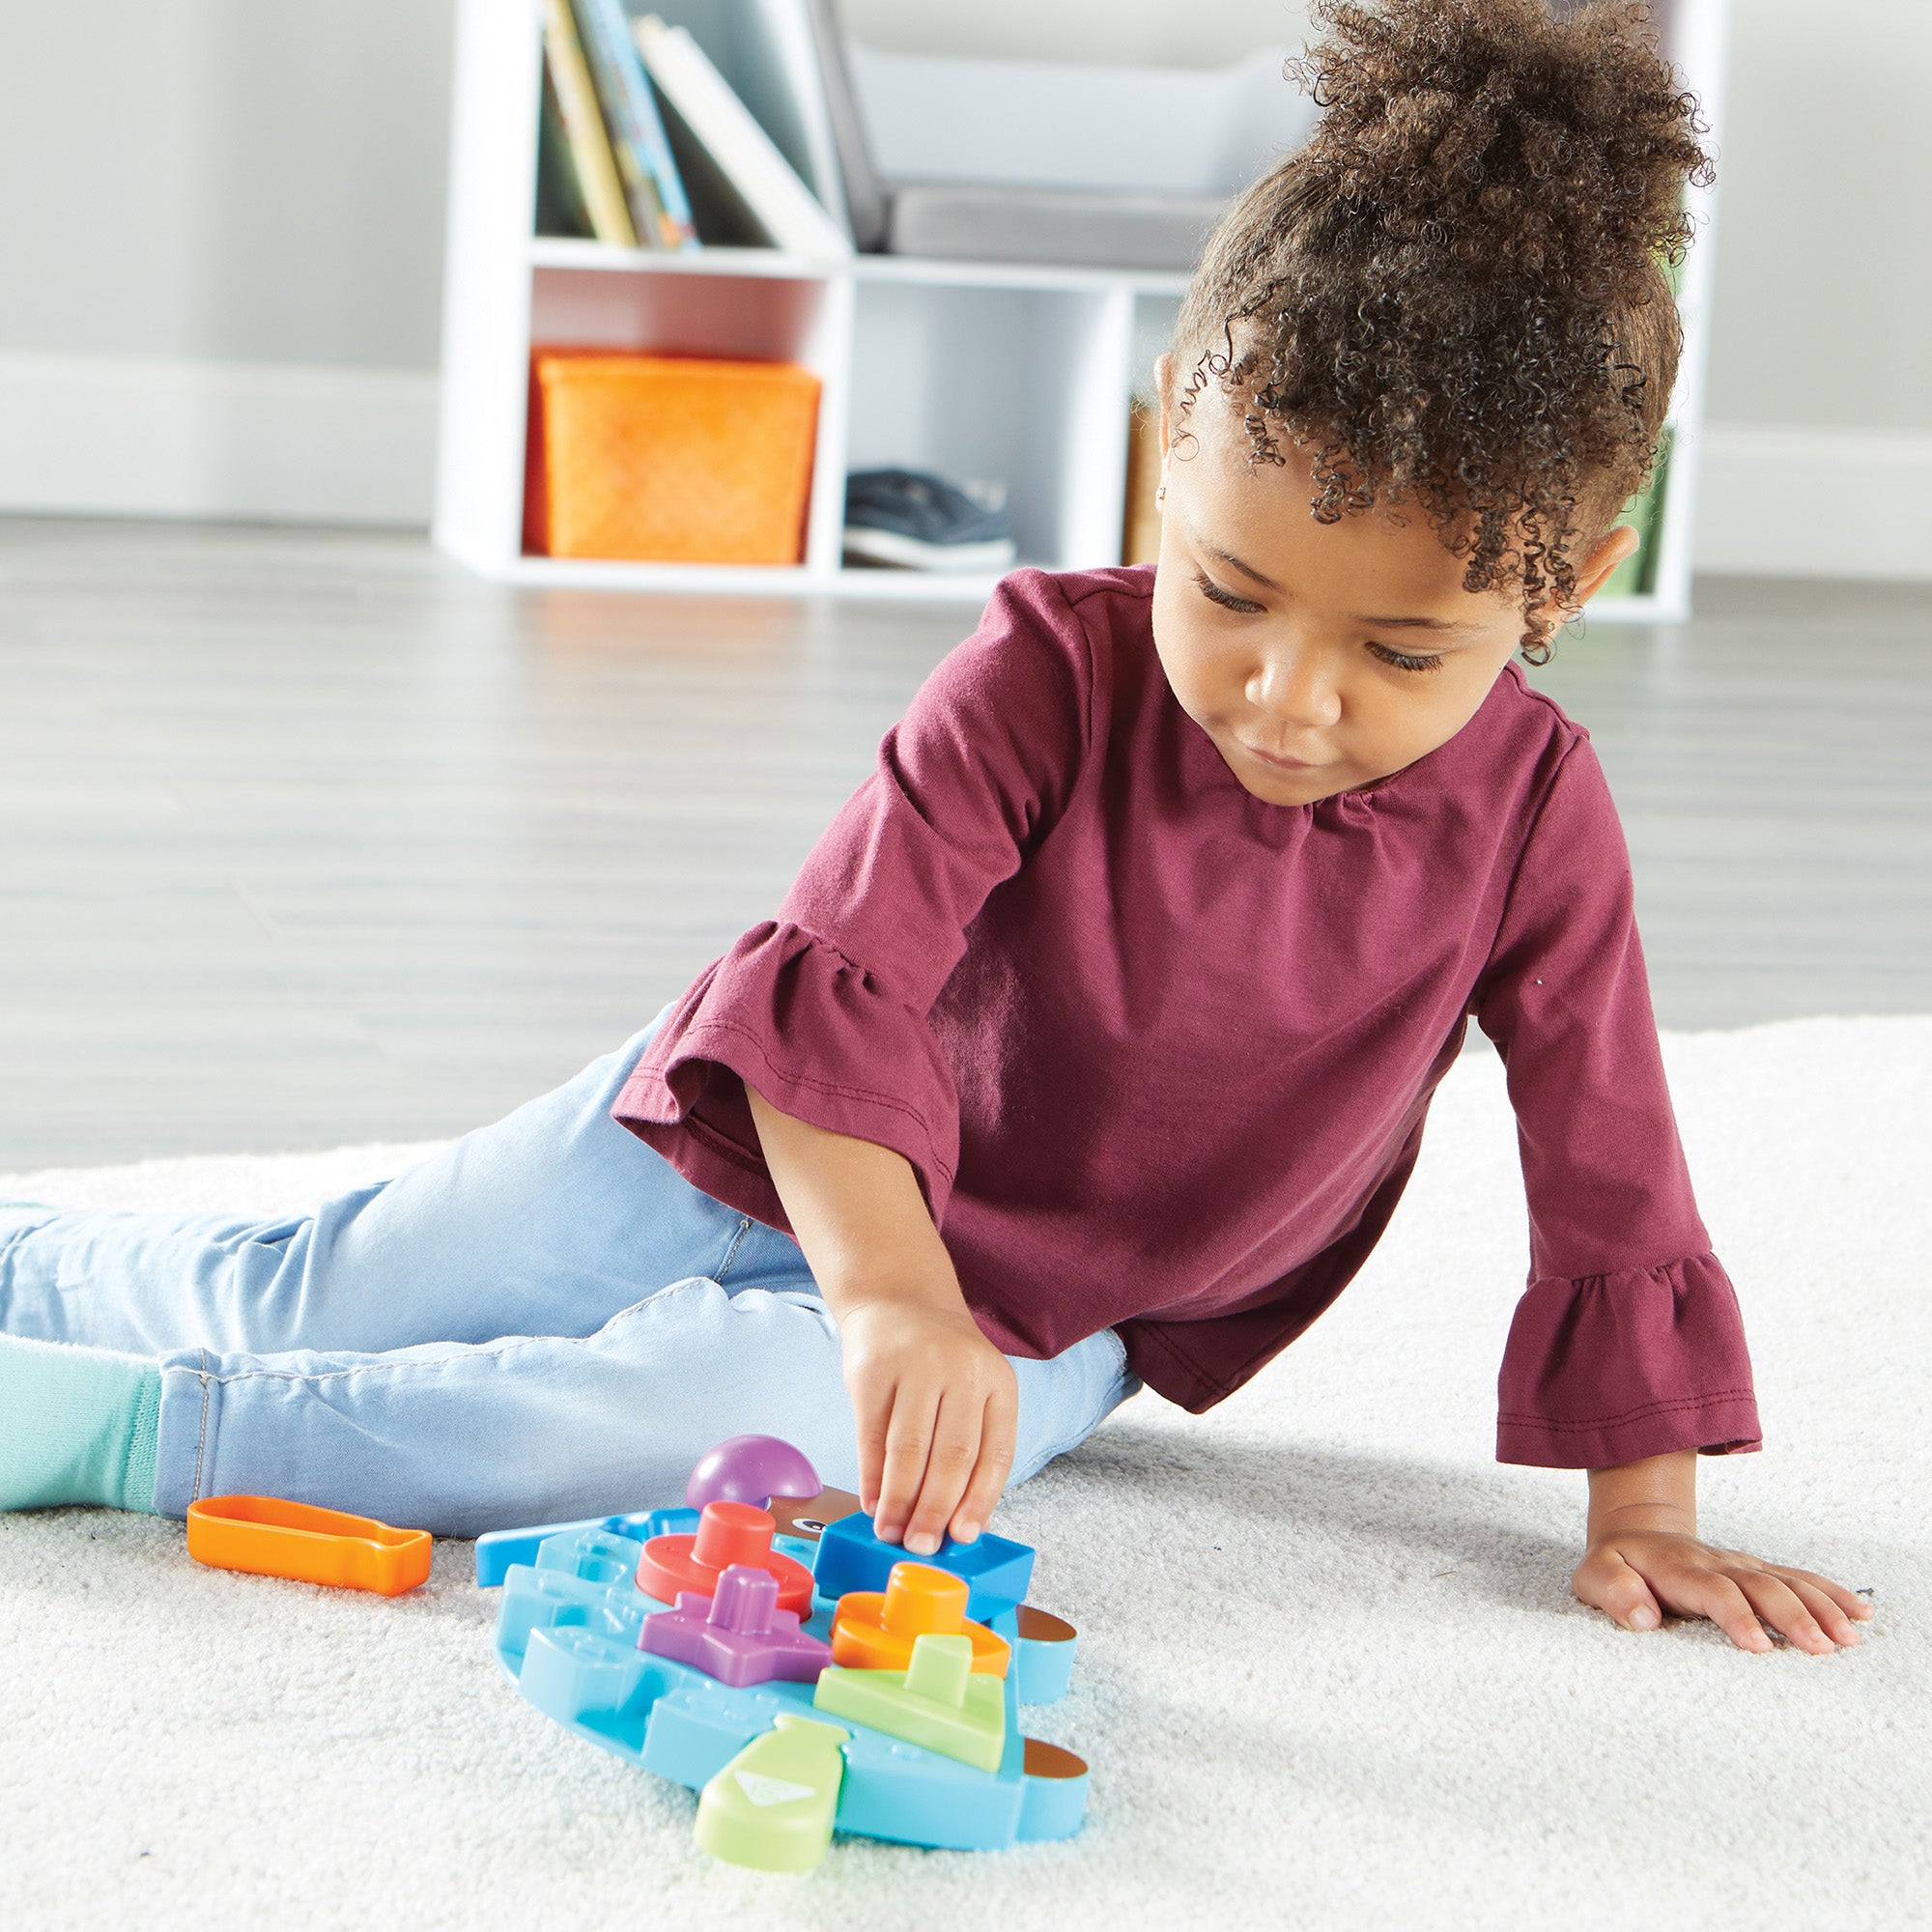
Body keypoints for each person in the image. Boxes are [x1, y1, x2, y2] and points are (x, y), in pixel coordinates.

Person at [0, 0, 1869, 1656]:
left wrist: (1647, 1513)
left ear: (1576, 580)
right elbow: (837, 991)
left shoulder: (1540, 817)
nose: (1290, 697)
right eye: (1227, 590)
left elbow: (1610, 1162)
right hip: (740, 1143)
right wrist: (884, 1287)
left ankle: (125, 1434)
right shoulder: (1046, 669)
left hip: (1048, 1305)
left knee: (676, 1432)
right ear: (1168, 440)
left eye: (1402, 648)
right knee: (336, 1283)